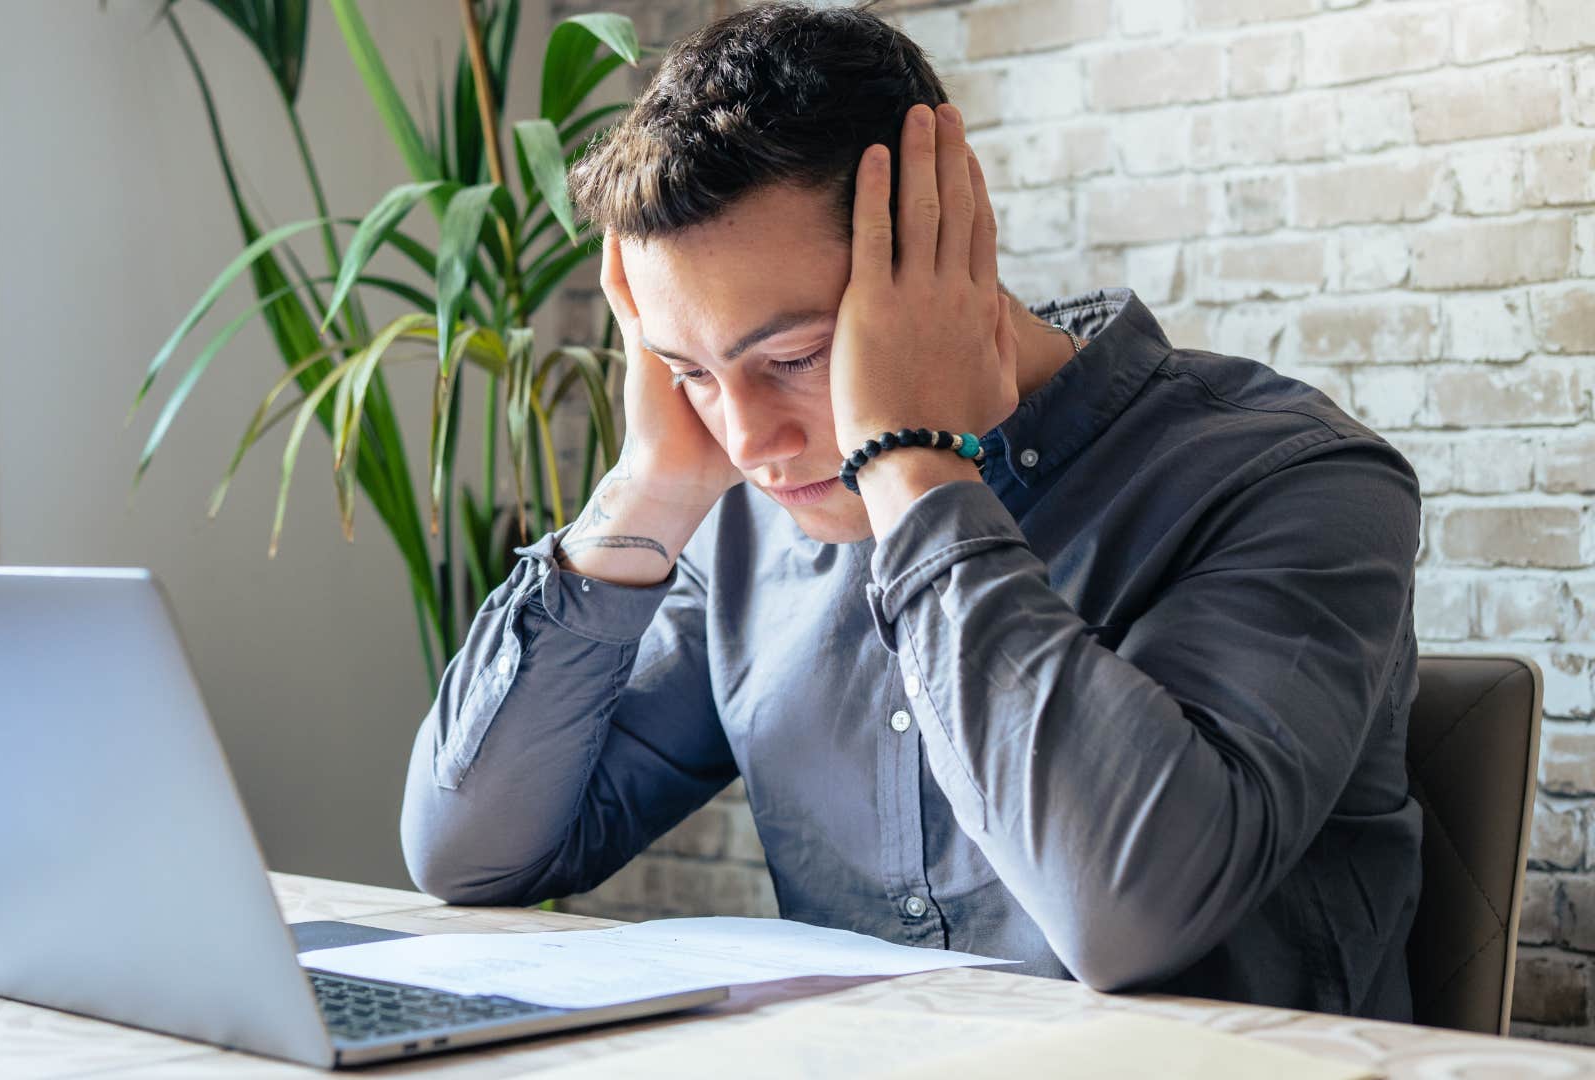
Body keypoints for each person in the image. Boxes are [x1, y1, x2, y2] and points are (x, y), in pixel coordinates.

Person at [400, 2, 1422, 1019]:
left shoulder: (1293, 480)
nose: (748, 441)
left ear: (949, 244)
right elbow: (471, 857)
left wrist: (913, 464)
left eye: (792, 358)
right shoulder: (755, 512)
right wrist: (648, 489)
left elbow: (1130, 918)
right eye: (690, 373)